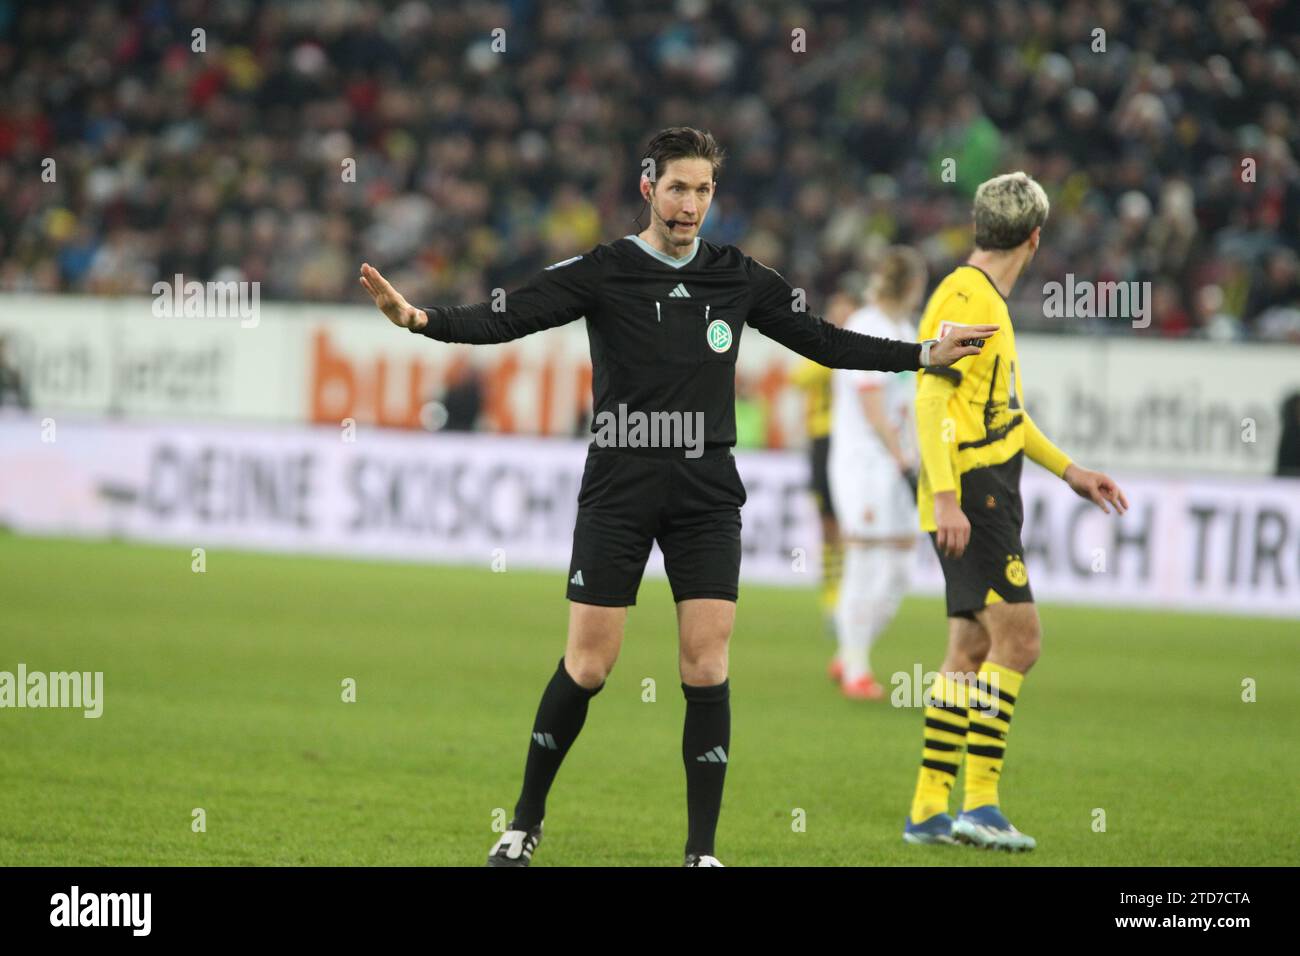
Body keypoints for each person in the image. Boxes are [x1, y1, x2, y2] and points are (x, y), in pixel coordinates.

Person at [360, 127, 992, 867]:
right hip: (620, 485)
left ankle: (700, 853)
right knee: (590, 666)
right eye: (678, 189)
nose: (690, 204)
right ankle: (524, 820)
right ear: (647, 188)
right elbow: (510, 317)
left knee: (706, 665)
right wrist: (421, 320)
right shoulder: (604, 270)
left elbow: (823, 340)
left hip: (705, 490)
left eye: (703, 190)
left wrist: (920, 356)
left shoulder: (739, 277)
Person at [903, 171, 1127, 851]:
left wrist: (1070, 471)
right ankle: (981, 804)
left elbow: (1007, 416)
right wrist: (946, 495)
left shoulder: (979, 298)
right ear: (1035, 238)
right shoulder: (969, 299)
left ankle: (928, 809)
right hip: (972, 492)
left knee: (969, 650)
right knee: (1021, 643)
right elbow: (930, 398)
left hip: (985, 485)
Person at [827, 248, 928, 699]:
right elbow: (871, 410)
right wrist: (901, 458)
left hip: (899, 462)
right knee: (865, 561)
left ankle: (852, 648)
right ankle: (855, 668)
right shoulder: (866, 327)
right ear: (911, 284)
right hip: (864, 464)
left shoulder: (906, 330)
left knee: (903, 566)